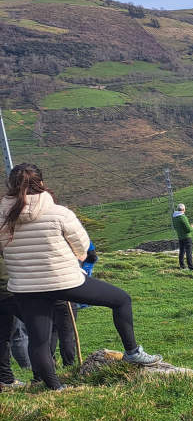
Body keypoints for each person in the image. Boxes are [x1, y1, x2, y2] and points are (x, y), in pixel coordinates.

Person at [0, 164, 161, 390]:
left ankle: (55, 388)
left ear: (11, 186)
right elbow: (83, 247)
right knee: (121, 299)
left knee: (39, 340)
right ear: (42, 184)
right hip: (64, 281)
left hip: (25, 287)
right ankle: (132, 352)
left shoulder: (2, 217)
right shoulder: (59, 213)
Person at [0, 255, 26, 389]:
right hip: (9, 290)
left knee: (4, 336)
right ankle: (42, 376)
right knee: (38, 327)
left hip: (7, 290)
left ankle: (6, 379)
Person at [171, 203, 193, 271]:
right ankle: (191, 267)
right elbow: (188, 229)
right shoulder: (182, 217)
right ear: (183, 209)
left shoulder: (174, 217)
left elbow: (175, 227)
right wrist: (192, 227)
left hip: (180, 236)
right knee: (188, 252)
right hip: (187, 237)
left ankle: (182, 266)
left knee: (181, 251)